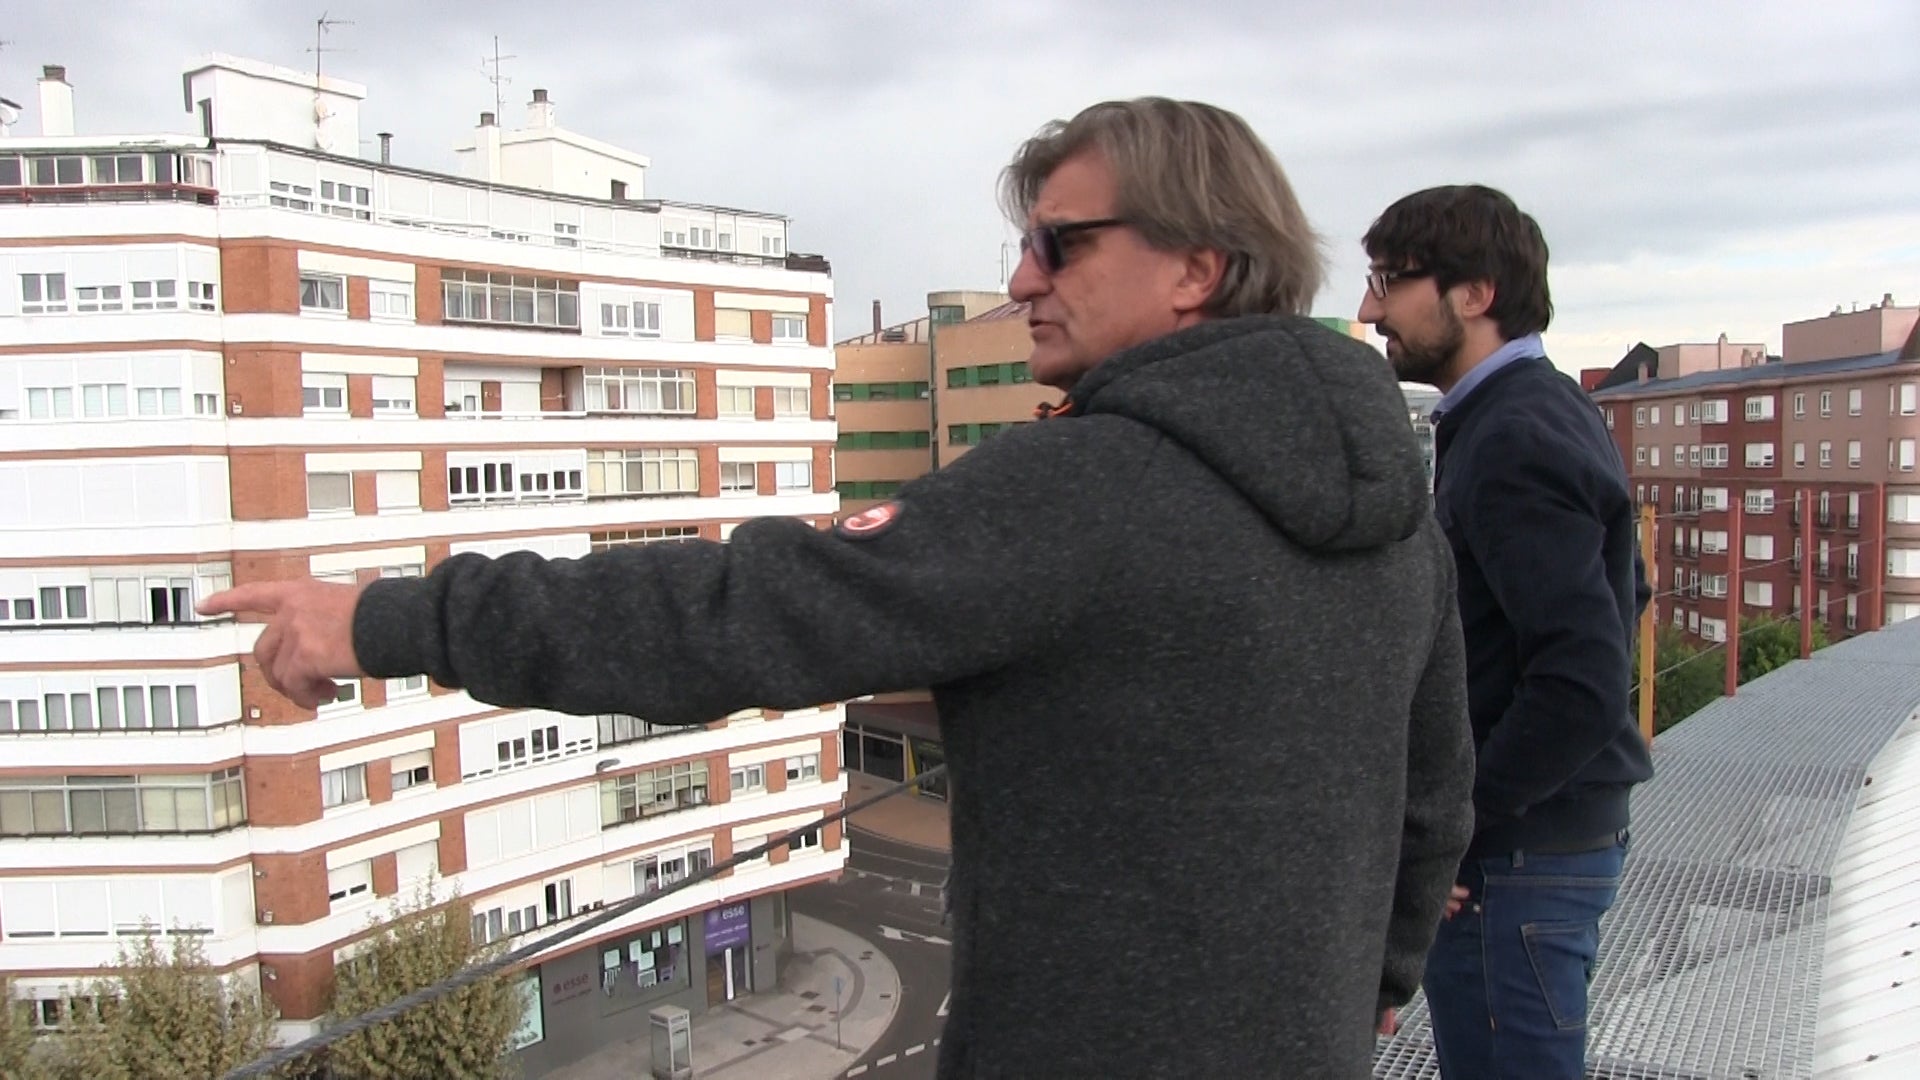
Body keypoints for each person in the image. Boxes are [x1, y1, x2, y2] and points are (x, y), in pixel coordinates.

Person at [204, 98, 1474, 1079]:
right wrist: (1382, 974)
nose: (1024, 277)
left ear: (1196, 267)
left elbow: (735, 614)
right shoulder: (1395, 491)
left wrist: (383, 618)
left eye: (1057, 242)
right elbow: (1435, 787)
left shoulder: (1086, 488)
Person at [1357, 185, 1655, 1078]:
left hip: (1517, 861)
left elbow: (1581, 677)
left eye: (1388, 280)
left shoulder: (1514, 433)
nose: (1372, 309)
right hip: (1541, 844)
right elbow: (1626, 589)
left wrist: (1461, 828)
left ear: (1475, 294)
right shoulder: (1535, 407)